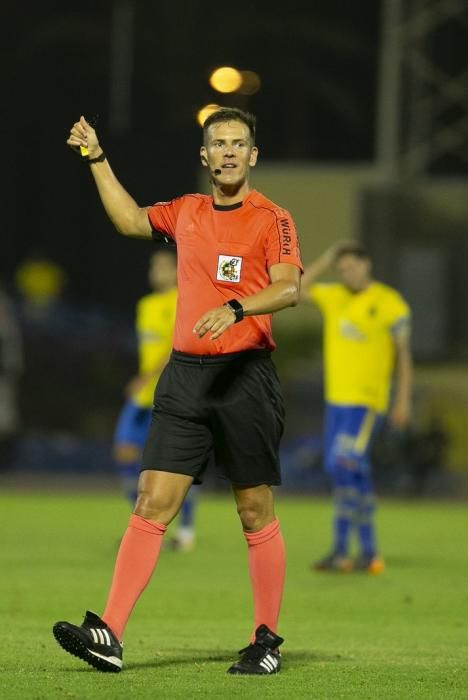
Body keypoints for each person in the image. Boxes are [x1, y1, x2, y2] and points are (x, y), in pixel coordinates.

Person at [53, 108, 303, 675]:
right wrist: (96, 159)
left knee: (253, 508)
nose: (230, 151)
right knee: (152, 501)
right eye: (220, 143)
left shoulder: (274, 219)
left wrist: (237, 306)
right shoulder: (186, 212)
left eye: (240, 143)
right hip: (186, 377)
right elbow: (128, 220)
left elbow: (289, 288)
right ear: (205, 156)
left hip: (246, 376)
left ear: (254, 155)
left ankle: (265, 639)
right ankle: (110, 633)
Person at [302, 242, 412, 574]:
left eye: (351, 267)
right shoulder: (334, 296)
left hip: (366, 404)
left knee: (342, 463)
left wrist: (402, 399)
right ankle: (368, 552)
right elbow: (296, 287)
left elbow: (404, 357)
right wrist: (327, 258)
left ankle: (341, 551)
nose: (346, 273)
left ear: (367, 264)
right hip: (336, 402)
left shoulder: (389, 303)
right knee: (353, 471)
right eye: (343, 268)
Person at [113, 248, 196, 550]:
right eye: (153, 265)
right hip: (142, 397)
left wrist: (146, 378)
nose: (156, 271)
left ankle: (186, 530)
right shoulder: (145, 304)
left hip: (169, 396)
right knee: (124, 453)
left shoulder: (183, 301)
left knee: (173, 468)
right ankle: (142, 524)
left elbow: (177, 346)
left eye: (162, 266)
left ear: (177, 271)